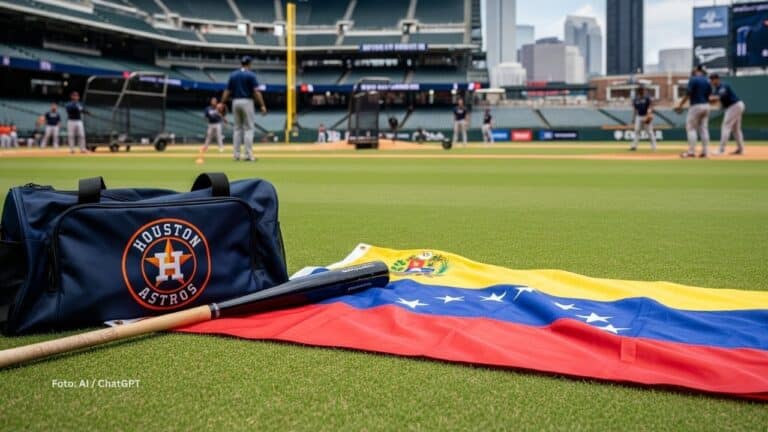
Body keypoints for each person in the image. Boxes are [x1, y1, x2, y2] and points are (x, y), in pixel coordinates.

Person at [221, 55, 267, 162]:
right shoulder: (251, 75)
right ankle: (248, 155)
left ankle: (236, 155)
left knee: (237, 129)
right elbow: (256, 92)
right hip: (247, 101)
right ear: (249, 64)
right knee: (249, 128)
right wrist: (262, 105)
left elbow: (227, 91)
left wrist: (222, 102)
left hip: (235, 101)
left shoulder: (233, 74)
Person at [675, 66, 712, 158]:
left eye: (695, 69)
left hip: (696, 105)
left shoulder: (694, 79)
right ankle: (705, 152)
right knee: (704, 129)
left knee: (691, 128)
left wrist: (680, 104)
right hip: (706, 105)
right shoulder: (707, 80)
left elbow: (688, 93)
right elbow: (709, 95)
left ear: (698, 70)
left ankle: (691, 152)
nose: (693, 70)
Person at [709, 73, 746, 156]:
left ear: (717, 79)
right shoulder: (717, 88)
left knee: (726, 127)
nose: (711, 81)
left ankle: (721, 150)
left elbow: (718, 97)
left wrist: (708, 98)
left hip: (734, 106)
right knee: (736, 129)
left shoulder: (723, 86)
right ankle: (740, 149)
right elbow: (714, 100)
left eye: (712, 79)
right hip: (736, 106)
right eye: (711, 79)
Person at [629, 86, 657, 152]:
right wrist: (633, 118)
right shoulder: (636, 99)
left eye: (643, 90)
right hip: (638, 116)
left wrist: (649, 114)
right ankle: (634, 146)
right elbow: (635, 109)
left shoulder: (647, 98)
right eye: (641, 90)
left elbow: (651, 105)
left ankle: (654, 147)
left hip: (646, 115)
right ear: (639, 91)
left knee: (650, 132)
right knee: (636, 131)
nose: (642, 91)